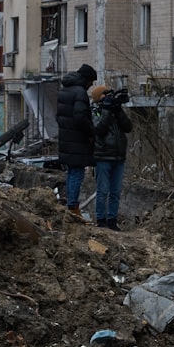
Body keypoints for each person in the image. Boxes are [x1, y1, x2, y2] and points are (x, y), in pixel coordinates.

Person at [90, 85, 133, 230]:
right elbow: (99, 129)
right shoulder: (95, 111)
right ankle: (101, 220)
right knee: (103, 190)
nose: (107, 97)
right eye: (104, 95)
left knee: (116, 191)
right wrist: (107, 110)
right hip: (103, 156)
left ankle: (112, 220)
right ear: (98, 98)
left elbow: (128, 127)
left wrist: (118, 110)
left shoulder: (114, 111)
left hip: (118, 156)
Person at [57, 64, 96, 218]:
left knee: (71, 172)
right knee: (77, 173)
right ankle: (73, 207)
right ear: (86, 80)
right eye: (91, 82)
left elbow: (60, 116)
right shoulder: (80, 92)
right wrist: (91, 132)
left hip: (66, 138)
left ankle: (71, 205)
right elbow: (80, 118)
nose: (91, 85)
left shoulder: (65, 90)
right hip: (77, 140)